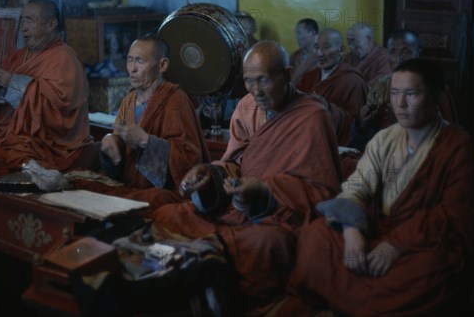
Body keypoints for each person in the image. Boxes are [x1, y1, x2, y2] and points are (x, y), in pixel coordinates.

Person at [285, 58, 474, 316]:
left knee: (432, 270)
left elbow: (458, 217)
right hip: (377, 231)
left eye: (411, 94)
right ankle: (360, 302)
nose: (400, 104)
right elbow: (356, 187)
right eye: (395, 94)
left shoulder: (457, 146)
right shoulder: (386, 138)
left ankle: (349, 303)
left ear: (436, 96)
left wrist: (397, 245)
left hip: (420, 245)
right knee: (316, 236)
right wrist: (351, 233)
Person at [151, 40, 342, 312]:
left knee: (263, 244)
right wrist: (209, 174)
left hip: (278, 216)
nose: (255, 91)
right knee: (167, 215)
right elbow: (234, 163)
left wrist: (266, 190)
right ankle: (190, 282)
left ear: (287, 75)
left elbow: (323, 191)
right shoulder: (247, 106)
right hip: (233, 205)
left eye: (263, 80)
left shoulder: (312, 116)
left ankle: (215, 290)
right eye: (249, 81)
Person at [0, 0, 94, 171]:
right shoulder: (17, 56)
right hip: (5, 130)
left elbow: (58, 110)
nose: (24, 27)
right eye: (22, 20)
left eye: (31, 20)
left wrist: (12, 82)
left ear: (52, 24)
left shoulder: (65, 58)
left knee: (16, 157)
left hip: (39, 138)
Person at [100, 35, 210, 197]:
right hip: (129, 185)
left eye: (140, 61)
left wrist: (145, 140)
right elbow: (120, 162)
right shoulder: (128, 101)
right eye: (130, 60)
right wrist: (111, 146)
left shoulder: (175, 100)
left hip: (163, 191)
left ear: (162, 65)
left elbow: (188, 159)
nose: (132, 68)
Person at [349, 29, 459, 151]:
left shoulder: (432, 89)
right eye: (393, 52)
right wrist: (362, 124)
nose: (398, 59)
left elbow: (441, 141)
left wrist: (402, 124)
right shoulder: (381, 85)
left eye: (406, 52)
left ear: (419, 55)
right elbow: (365, 140)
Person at [296, 28, 368, 146]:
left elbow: (357, 126)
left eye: (326, 47)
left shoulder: (353, 81)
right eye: (316, 47)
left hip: (336, 145)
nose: (319, 53)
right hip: (306, 139)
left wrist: (325, 107)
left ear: (341, 50)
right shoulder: (310, 76)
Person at [346, 22, 392, 87]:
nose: (351, 47)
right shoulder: (349, 56)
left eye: (354, 41)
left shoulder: (384, 58)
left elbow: (379, 85)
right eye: (349, 41)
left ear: (368, 39)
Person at [289, 18, 319, 84]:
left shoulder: (323, 55)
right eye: (296, 34)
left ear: (313, 33)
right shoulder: (295, 56)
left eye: (299, 33)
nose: (297, 37)